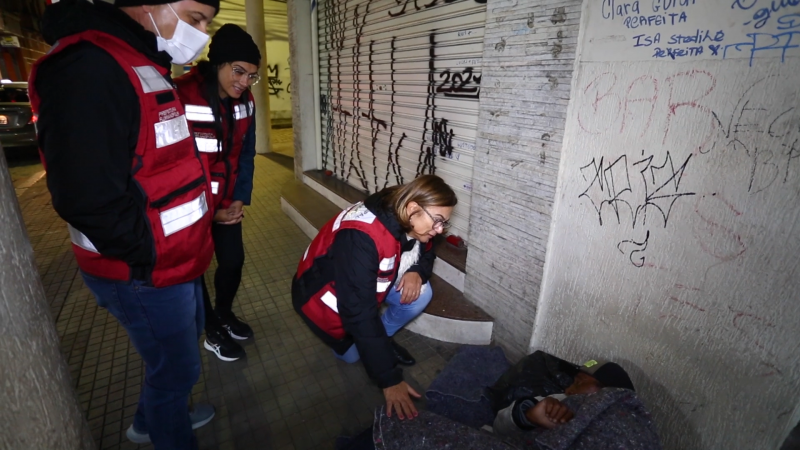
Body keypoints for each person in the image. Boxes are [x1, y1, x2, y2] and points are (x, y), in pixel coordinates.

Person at [30, 0, 219, 447]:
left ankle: (150, 420)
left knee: (173, 362)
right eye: (195, 18)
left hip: (173, 259)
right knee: (178, 369)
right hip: (143, 269)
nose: (201, 33)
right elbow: (84, 194)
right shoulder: (87, 65)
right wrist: (146, 253)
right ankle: (167, 427)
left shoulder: (140, 58)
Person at [292, 175, 457, 420]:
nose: (440, 229)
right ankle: (361, 343)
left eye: (444, 223)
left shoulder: (404, 210)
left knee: (421, 295)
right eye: (438, 221)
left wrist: (417, 271)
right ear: (413, 209)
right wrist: (389, 380)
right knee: (352, 356)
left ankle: (380, 338)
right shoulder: (361, 237)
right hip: (323, 300)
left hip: (366, 286)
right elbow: (358, 312)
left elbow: (428, 251)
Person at [175, 24, 260, 362]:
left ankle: (223, 313)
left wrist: (239, 197)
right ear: (218, 64)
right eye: (238, 71)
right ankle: (210, 329)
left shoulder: (246, 101)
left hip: (227, 203)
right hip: (190, 207)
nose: (244, 81)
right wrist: (211, 212)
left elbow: (247, 153)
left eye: (251, 75)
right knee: (194, 271)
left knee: (233, 261)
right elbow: (175, 166)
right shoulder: (181, 94)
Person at [493, 361, 636, 434]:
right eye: (574, 382)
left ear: (609, 394)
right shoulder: (559, 401)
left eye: (580, 383)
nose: (569, 389)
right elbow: (499, 427)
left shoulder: (624, 428)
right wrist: (527, 417)